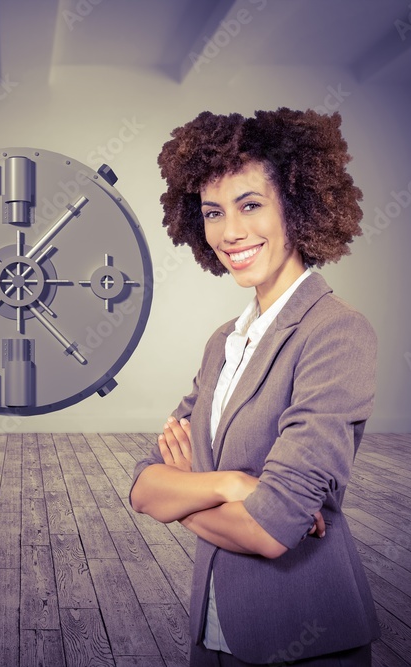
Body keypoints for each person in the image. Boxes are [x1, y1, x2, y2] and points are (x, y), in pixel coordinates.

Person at [130, 108, 380, 666]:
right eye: (213, 212)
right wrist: (235, 485)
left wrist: (190, 490)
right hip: (211, 633)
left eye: (250, 205)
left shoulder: (337, 332)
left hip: (305, 638)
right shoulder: (224, 341)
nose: (230, 232)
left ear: (298, 205)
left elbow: (272, 530)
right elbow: (144, 489)